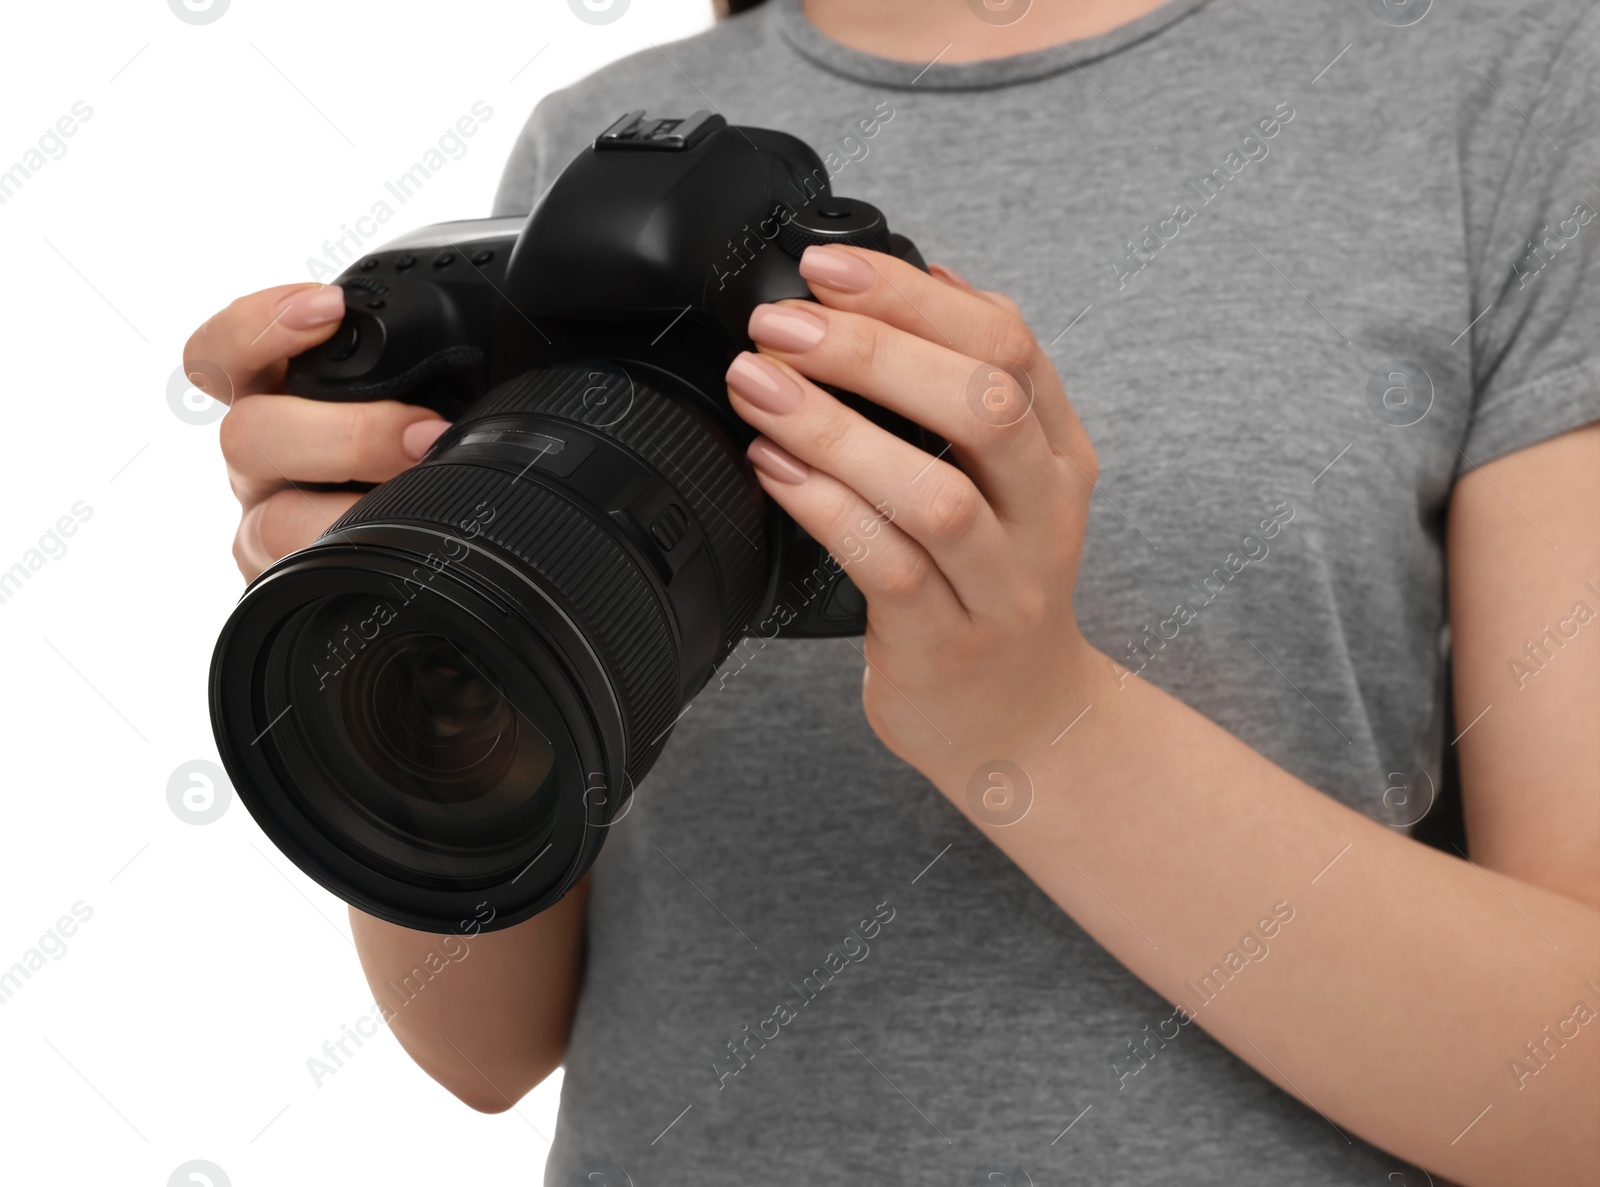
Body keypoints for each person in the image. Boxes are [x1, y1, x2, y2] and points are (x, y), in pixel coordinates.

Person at [188, 0, 1599, 1183]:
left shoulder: (1504, 82)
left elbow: (1573, 1088)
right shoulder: (602, 129)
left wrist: (1030, 725)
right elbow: (486, 1045)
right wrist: (400, 621)